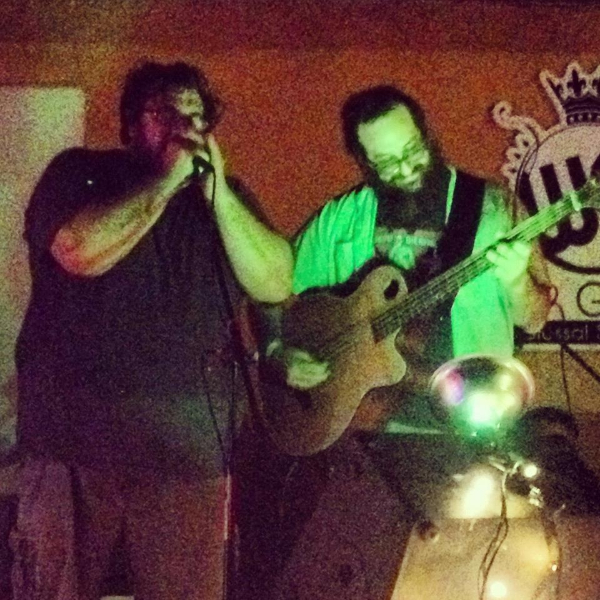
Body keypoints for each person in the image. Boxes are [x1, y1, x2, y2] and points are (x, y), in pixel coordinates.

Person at [237, 84, 554, 599]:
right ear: (363, 161)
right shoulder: (342, 219)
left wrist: (517, 278)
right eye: (386, 162)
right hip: (362, 439)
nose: (405, 169)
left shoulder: (493, 208)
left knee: (459, 579)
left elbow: (535, 316)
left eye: (412, 151)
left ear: (428, 134)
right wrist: (277, 350)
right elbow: (269, 286)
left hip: (466, 434)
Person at [12, 61, 293, 600]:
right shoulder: (79, 173)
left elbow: (276, 281)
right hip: (73, 445)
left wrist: (220, 197)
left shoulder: (226, 196)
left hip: (186, 455)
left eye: (196, 115)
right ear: (129, 125)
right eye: (164, 113)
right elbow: (79, 251)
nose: (185, 127)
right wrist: (166, 181)